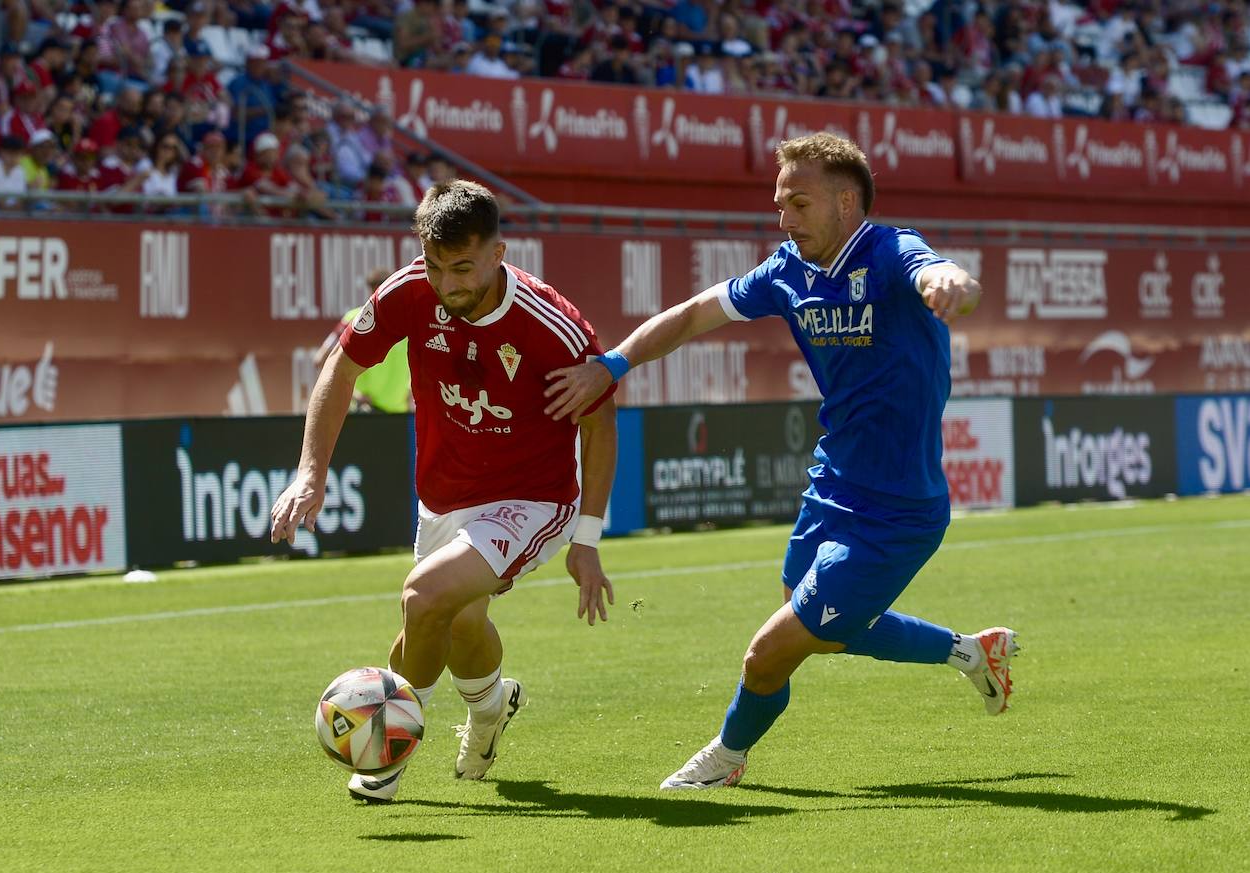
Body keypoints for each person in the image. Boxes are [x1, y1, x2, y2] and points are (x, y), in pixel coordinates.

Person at [543, 133, 1018, 791]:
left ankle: (726, 759)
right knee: (823, 629)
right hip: (834, 485)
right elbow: (690, 316)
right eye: (779, 204)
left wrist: (949, 282)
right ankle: (972, 651)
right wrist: (614, 363)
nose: (784, 218)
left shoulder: (888, 252)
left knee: (767, 656)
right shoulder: (785, 273)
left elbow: (939, 273)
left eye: (798, 202)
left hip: (899, 511)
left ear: (846, 202)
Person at [270, 180, 618, 803]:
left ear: (498, 253)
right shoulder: (408, 292)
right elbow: (342, 369)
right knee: (457, 621)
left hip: (532, 499)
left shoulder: (550, 324)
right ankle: (490, 710)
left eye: (463, 267)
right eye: (435, 266)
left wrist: (586, 538)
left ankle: (385, 751)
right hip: (442, 495)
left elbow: (598, 424)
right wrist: (310, 473)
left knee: (423, 597)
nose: (448, 283)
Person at [312, 268, 411, 414]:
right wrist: (356, 396)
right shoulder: (407, 323)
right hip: (381, 414)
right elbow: (320, 360)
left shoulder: (356, 317)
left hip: (380, 415)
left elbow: (320, 359)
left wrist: (355, 395)